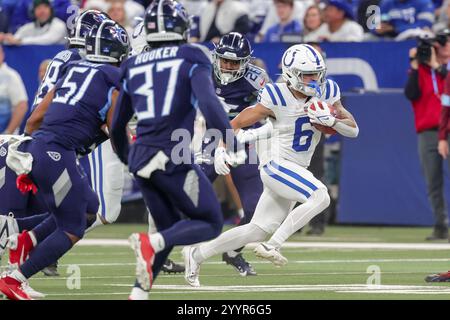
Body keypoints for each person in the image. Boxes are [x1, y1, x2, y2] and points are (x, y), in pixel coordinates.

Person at [182, 43, 359, 286]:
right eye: (306, 74)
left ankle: (196, 254)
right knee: (320, 196)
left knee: (257, 228)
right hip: (275, 164)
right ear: (290, 73)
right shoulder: (275, 95)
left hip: (297, 167)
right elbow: (235, 123)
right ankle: (272, 245)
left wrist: (333, 121)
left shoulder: (328, 91)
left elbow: (354, 130)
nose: (313, 79)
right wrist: (221, 149)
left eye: (316, 73)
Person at [110, 0, 245, 300]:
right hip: (171, 155)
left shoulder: (133, 64)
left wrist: (127, 158)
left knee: (169, 231)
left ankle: (138, 293)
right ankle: (151, 244)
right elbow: (209, 104)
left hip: (141, 156)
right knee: (210, 222)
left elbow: (118, 125)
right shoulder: (191, 55)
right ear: (182, 27)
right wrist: (230, 141)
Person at [0, 19, 130, 300]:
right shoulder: (112, 79)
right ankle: (15, 278)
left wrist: (28, 152)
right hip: (58, 152)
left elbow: (34, 119)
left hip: (42, 147)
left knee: (91, 207)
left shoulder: (72, 67)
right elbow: (116, 132)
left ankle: (27, 238)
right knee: (73, 226)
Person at [197, 32, 269, 276]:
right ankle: (161, 248)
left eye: (234, 62)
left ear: (246, 61)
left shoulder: (256, 80)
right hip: (211, 137)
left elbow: (269, 111)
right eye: (224, 61)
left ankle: (233, 251)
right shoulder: (202, 70)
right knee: (189, 192)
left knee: (255, 209)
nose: (228, 66)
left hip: (242, 142)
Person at [404, 30, 450, 240]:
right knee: (433, 181)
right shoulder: (419, 70)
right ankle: (440, 226)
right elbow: (411, 94)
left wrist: (436, 65)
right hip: (427, 132)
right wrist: (415, 65)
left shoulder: (444, 69)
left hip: (447, 129)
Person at [1, 0, 67, 45]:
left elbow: (48, 39)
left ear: (51, 10)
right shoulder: (28, 27)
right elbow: (14, 40)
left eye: (45, 7)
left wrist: (21, 41)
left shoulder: (59, 24)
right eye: (39, 8)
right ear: (33, 12)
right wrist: (5, 38)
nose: (42, 11)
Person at [0, 45, 28, 134]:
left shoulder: (11, 76)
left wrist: (7, 134)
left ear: (2, 55)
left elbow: (22, 106)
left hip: (4, 139)